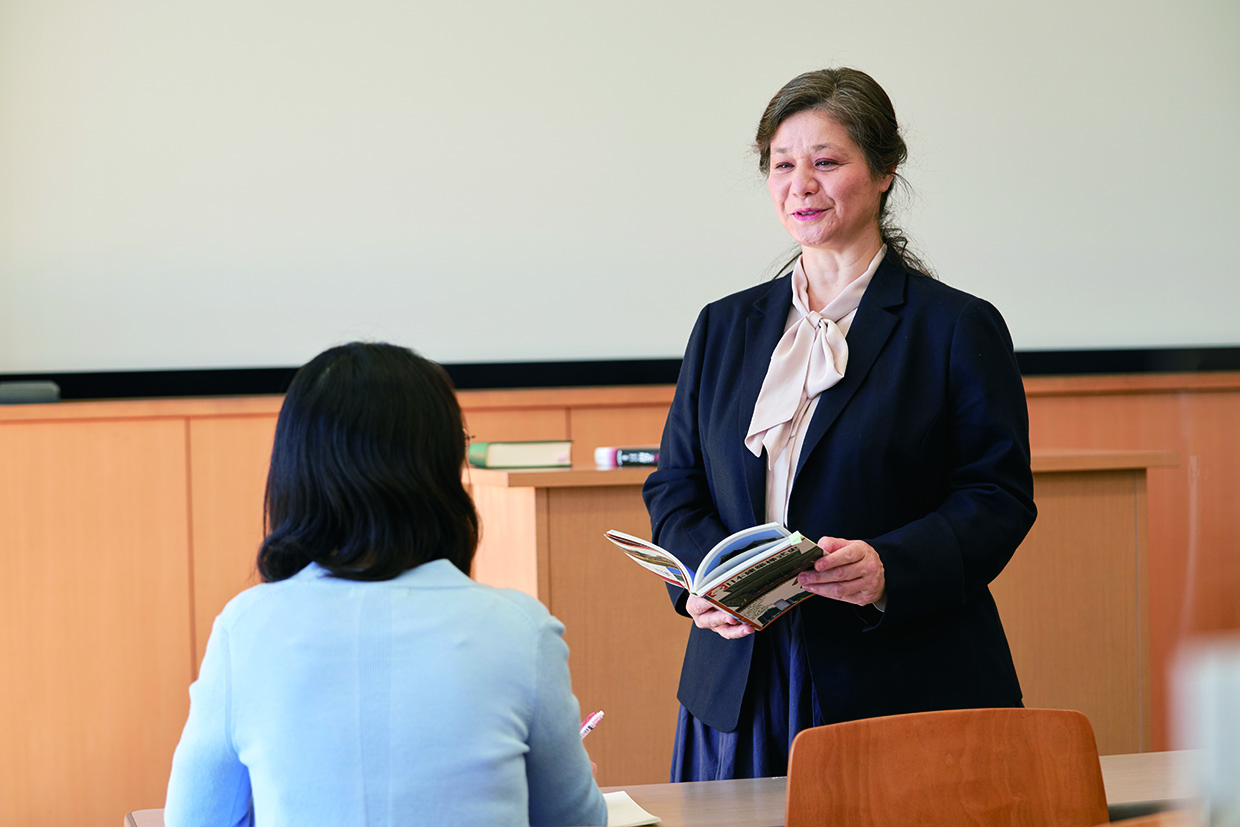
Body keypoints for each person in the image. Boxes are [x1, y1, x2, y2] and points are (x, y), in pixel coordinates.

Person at [642, 67, 1037, 782]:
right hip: (737, 680)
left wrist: (889, 568)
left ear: (884, 172)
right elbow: (675, 484)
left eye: (826, 162)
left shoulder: (955, 326)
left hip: (899, 675)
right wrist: (702, 581)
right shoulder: (724, 325)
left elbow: (997, 495)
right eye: (781, 165)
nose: (800, 185)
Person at [164, 342, 607, 826]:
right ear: (443, 467)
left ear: (295, 470)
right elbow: (578, 821)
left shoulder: (247, 628)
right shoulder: (521, 629)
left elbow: (194, 820)